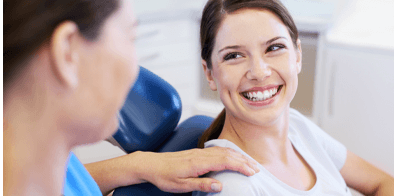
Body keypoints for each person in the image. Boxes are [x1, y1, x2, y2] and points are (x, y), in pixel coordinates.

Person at [3, 0, 261, 195]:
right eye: (130, 38)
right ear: (68, 52)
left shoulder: (47, 158)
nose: (135, 69)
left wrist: (137, 165)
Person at [193, 0, 394, 195]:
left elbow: (383, 183)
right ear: (209, 72)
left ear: (297, 56)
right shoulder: (234, 187)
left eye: (274, 47)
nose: (259, 72)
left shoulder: (296, 126)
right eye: (234, 56)